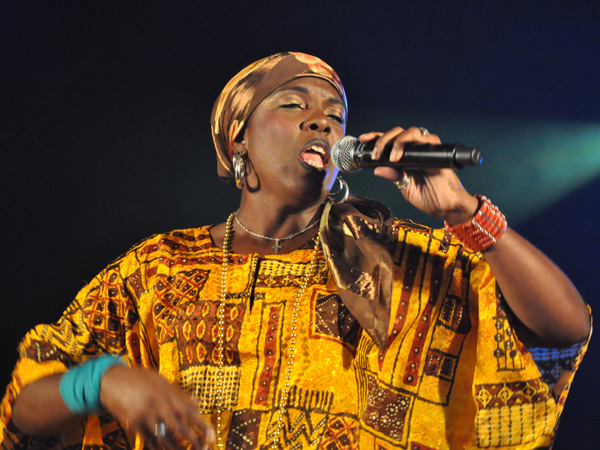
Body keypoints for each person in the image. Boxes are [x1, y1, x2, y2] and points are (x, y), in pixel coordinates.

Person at [0, 51, 591, 450]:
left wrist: (465, 213)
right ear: (238, 139)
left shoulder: (399, 259)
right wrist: (103, 381)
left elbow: (563, 329)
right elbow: (24, 410)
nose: (323, 122)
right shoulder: (158, 271)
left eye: (336, 116)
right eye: (293, 105)